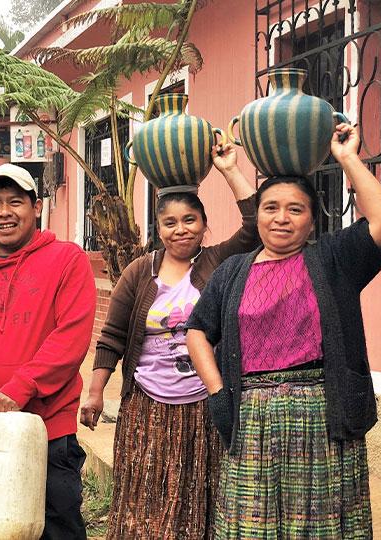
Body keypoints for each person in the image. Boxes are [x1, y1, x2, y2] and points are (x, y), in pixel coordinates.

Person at [186, 123, 381, 538]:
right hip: (251, 416)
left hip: (323, 415)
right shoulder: (232, 272)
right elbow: (197, 331)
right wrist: (217, 394)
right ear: (258, 214)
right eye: (270, 208)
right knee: (252, 526)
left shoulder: (334, 260)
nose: (281, 218)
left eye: (295, 209)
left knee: (319, 526)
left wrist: (347, 158)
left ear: (311, 221)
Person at [79, 144, 258, 539]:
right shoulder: (140, 272)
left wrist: (229, 169)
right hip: (147, 405)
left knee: (198, 495)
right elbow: (113, 337)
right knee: (145, 497)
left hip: (203, 404)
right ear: (158, 229)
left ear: (204, 223)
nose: (182, 230)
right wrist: (95, 393)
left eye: (190, 220)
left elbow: (255, 226)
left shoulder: (218, 261)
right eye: (171, 223)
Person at [0, 163, 97, 539]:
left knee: (55, 527)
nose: (5, 212)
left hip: (48, 428)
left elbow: (70, 338)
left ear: (37, 207)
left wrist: (19, 389)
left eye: (16, 202)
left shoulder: (67, 260)